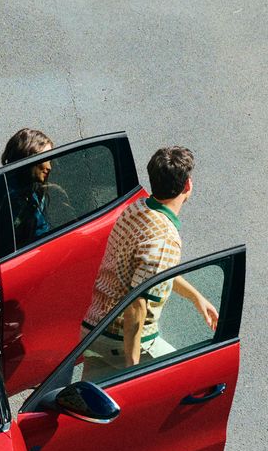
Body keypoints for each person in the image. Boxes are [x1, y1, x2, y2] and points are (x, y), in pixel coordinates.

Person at [80, 145, 217, 377]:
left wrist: (196, 297)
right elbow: (137, 305)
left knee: (95, 409)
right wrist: (132, 368)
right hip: (121, 339)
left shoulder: (137, 208)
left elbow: (150, 274)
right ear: (188, 185)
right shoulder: (166, 238)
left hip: (93, 331)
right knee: (189, 379)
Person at [0, 128, 61, 251]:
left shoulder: (36, 192)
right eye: (45, 159)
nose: (49, 167)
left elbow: (41, 232)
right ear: (28, 157)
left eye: (50, 161)